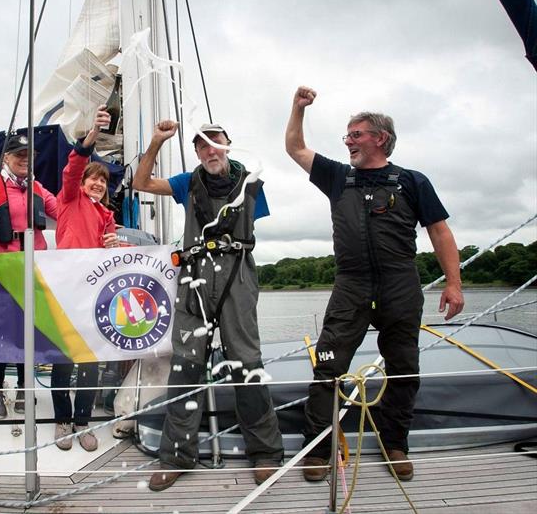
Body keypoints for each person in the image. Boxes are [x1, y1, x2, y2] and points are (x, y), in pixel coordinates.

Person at [284, 86, 465, 482]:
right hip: (351, 284)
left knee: (403, 367)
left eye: (355, 134)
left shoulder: (414, 181)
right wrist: (297, 108)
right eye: (346, 135)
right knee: (329, 366)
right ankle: (317, 447)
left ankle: (395, 443)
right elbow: (295, 148)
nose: (347, 140)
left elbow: (440, 232)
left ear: (379, 138)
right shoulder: (336, 176)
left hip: (401, 282)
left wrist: (454, 283)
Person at [133, 120, 285, 491]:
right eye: (201, 146)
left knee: (246, 361)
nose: (209, 150)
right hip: (195, 277)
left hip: (238, 275)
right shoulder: (188, 182)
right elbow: (141, 183)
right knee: (186, 365)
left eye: (215, 142)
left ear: (228, 144)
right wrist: (155, 142)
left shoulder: (252, 183)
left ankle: (265, 451)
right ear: (197, 153)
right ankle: (176, 455)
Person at [0, 134, 58, 419]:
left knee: (25, 330)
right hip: (2, 265)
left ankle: (23, 387)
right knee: (0, 330)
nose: (24, 159)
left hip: (33, 265)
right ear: (6, 158)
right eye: (18, 154)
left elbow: (62, 211)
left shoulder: (38, 188)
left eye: (28, 154)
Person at [51, 105, 118, 452]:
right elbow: (74, 164)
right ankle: (62, 421)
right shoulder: (69, 198)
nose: (97, 183)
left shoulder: (108, 217)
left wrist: (114, 244)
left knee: (90, 361)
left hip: (95, 295)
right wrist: (92, 134)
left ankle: (82, 422)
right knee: (63, 359)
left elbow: (114, 260)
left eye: (103, 180)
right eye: (93, 177)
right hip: (66, 291)